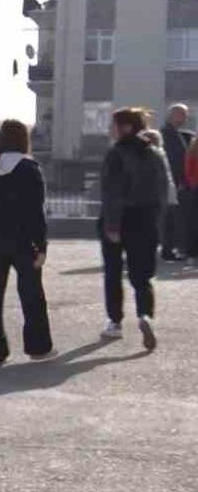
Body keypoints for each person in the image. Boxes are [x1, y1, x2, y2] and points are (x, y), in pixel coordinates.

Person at [0, 120, 54, 366]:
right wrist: (41, 245)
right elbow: (36, 211)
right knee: (32, 295)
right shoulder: (29, 168)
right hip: (23, 241)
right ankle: (38, 347)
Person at [99, 108, 168, 350]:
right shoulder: (155, 153)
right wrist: (158, 221)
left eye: (114, 125)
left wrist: (112, 225)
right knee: (142, 275)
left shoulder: (116, 153)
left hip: (121, 218)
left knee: (113, 271)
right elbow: (163, 191)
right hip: (147, 218)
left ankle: (115, 321)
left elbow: (112, 192)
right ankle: (145, 315)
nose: (111, 129)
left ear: (126, 127)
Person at [159, 103, 192, 260]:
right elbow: (174, 160)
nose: (186, 118)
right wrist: (178, 181)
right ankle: (168, 249)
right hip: (173, 182)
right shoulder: (167, 135)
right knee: (171, 218)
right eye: (183, 114)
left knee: (173, 218)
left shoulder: (176, 134)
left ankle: (170, 248)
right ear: (173, 115)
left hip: (176, 182)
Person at [142, 129, 179, 238]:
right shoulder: (161, 153)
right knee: (166, 225)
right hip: (168, 194)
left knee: (159, 224)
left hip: (160, 195)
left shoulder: (153, 155)